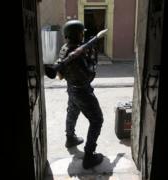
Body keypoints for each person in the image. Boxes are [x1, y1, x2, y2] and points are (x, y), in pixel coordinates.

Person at [55, 20, 104, 169]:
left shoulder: (64, 48)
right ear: (77, 34)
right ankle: (89, 156)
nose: (83, 34)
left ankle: (70, 138)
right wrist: (93, 58)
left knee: (72, 112)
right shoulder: (76, 53)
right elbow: (88, 76)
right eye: (82, 32)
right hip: (82, 90)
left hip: (71, 88)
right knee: (97, 120)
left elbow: (61, 73)